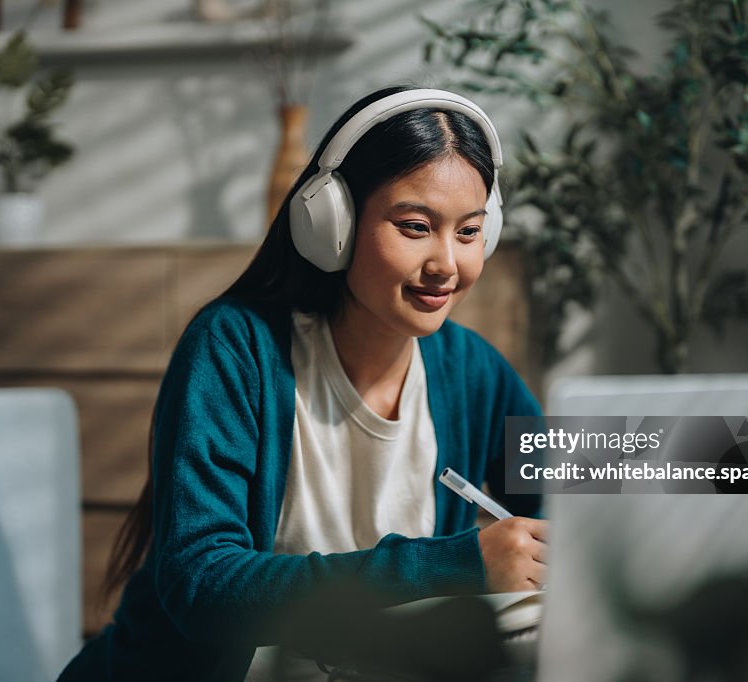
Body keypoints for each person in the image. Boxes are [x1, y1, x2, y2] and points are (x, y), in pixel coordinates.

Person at [57, 85, 548, 682]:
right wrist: (455, 564)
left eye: (469, 232)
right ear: (332, 221)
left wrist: (676, 465)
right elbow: (204, 587)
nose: (447, 263)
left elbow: (580, 496)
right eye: (416, 226)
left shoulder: (472, 370)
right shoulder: (235, 347)